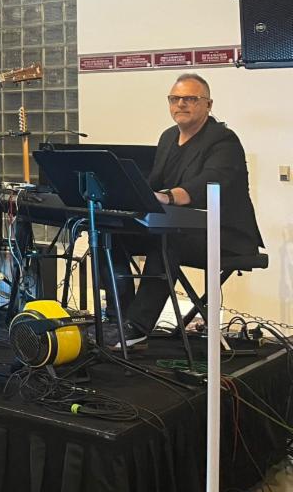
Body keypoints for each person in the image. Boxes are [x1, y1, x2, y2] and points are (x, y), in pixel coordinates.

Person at [111, 73, 263, 346]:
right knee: (112, 237)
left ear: (208, 104)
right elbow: (154, 183)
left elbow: (208, 183)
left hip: (226, 235)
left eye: (190, 98)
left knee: (166, 240)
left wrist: (168, 197)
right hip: (184, 228)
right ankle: (118, 316)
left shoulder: (223, 140)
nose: (181, 104)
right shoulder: (168, 137)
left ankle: (137, 327)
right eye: (175, 99)